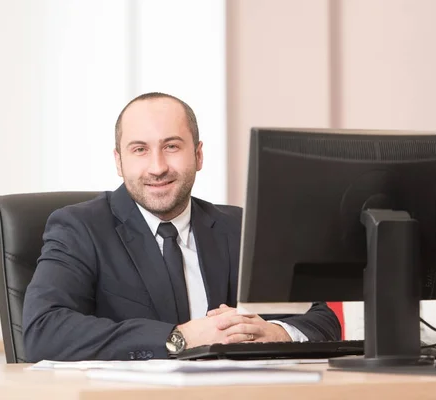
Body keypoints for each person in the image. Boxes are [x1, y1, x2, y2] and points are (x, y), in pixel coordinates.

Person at [22, 92, 341, 362]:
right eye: (140, 149)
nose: (158, 167)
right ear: (119, 162)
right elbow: (44, 330)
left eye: (172, 146)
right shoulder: (80, 228)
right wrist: (178, 337)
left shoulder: (239, 228)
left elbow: (321, 319)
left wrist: (275, 333)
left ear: (198, 155)